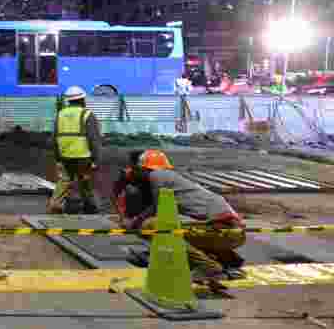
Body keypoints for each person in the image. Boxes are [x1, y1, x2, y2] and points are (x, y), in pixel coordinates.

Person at [113, 149, 246, 280]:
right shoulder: (173, 178)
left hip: (224, 231)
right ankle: (228, 260)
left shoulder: (157, 176)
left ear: (143, 168)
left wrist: (134, 222)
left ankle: (209, 268)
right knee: (177, 227)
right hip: (234, 233)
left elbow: (158, 206)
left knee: (151, 226)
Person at [49, 86, 101, 214]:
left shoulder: (60, 115)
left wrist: (57, 158)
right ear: (83, 99)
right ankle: (90, 208)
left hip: (64, 156)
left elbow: (54, 138)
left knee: (64, 181)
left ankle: (55, 204)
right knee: (85, 182)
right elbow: (94, 139)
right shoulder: (87, 114)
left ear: (69, 100)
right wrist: (96, 159)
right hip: (83, 157)